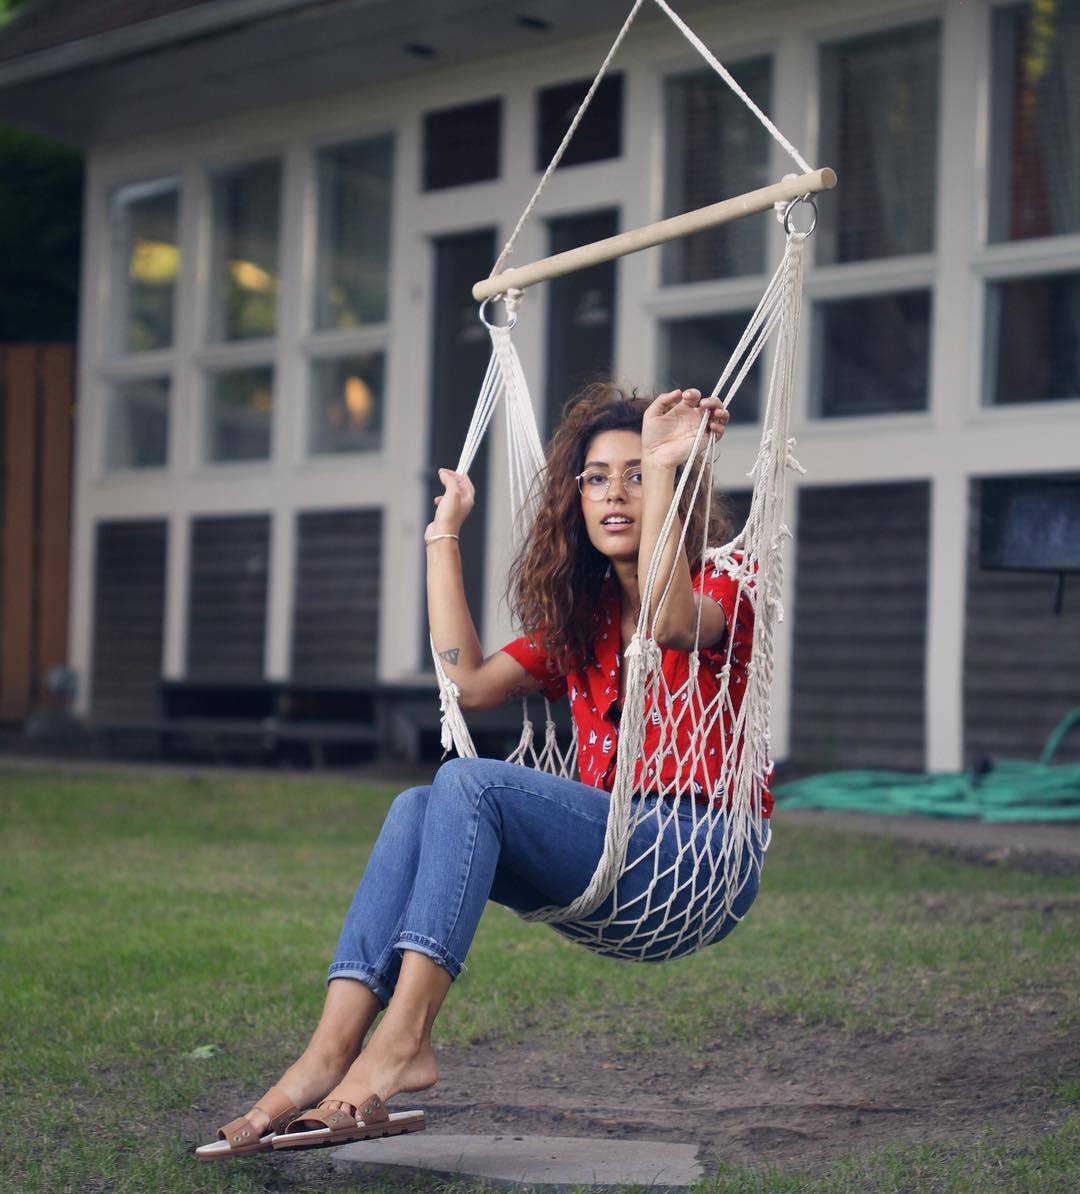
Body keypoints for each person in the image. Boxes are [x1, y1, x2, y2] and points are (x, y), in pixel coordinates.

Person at [196, 383, 770, 1160]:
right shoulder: (586, 621)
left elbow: (672, 623)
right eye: (598, 477)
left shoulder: (728, 582)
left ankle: (403, 1041)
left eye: (637, 474)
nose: (615, 493)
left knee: (470, 784)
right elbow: (466, 684)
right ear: (577, 498)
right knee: (415, 807)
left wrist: (668, 462)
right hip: (612, 849)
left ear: (671, 485)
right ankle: (329, 1053)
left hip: (698, 854)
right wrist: (442, 538)